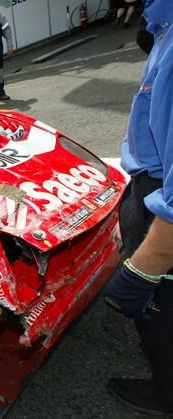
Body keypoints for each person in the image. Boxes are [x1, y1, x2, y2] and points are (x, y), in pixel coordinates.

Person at [102, 0, 173, 415]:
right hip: (148, 192)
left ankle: (167, 393)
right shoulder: (162, 29)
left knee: (158, 315)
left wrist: (141, 268)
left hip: (160, 205)